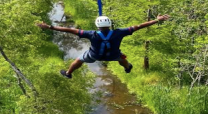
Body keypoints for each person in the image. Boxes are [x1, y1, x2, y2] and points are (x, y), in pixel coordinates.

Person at [36, 14, 170, 79]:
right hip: (113, 55)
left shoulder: (91, 34)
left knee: (79, 60)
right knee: (120, 57)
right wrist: (157, 20)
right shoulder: (119, 32)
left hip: (94, 55)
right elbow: (139, 26)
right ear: (110, 24)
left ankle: (68, 73)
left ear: (97, 25)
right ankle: (128, 67)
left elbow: (69, 30)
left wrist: (49, 27)